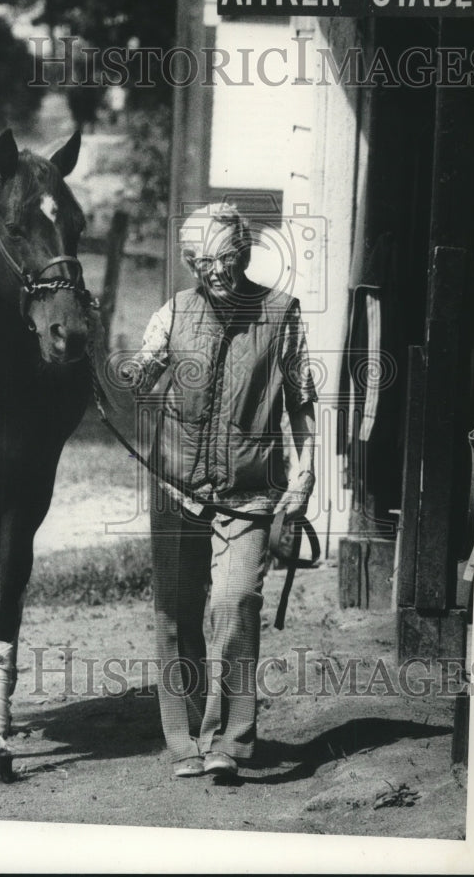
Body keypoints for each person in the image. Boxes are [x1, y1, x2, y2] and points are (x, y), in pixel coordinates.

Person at [93, 203, 317, 779]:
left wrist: (306, 472)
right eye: (197, 260)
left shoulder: (280, 314)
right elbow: (144, 368)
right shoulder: (175, 312)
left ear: (243, 251)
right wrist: (128, 371)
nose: (209, 270)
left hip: (248, 494)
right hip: (176, 486)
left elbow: (300, 404)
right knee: (177, 614)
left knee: (235, 603)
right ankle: (186, 739)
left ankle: (231, 742)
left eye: (219, 258)